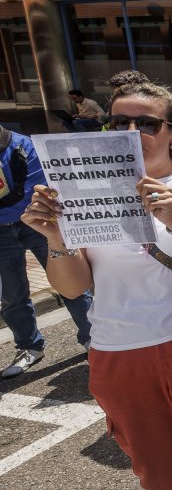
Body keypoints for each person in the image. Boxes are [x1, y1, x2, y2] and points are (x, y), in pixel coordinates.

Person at [22, 77, 172, 489]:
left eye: (147, 124)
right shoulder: (78, 191)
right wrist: (56, 240)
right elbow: (74, 288)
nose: (132, 134)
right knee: (157, 471)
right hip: (121, 353)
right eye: (119, 123)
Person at [0, 125, 92, 378]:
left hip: (38, 224)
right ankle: (29, 346)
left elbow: (31, 190)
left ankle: (92, 338)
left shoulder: (22, 145)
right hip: (1, 232)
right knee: (11, 295)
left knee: (71, 284)